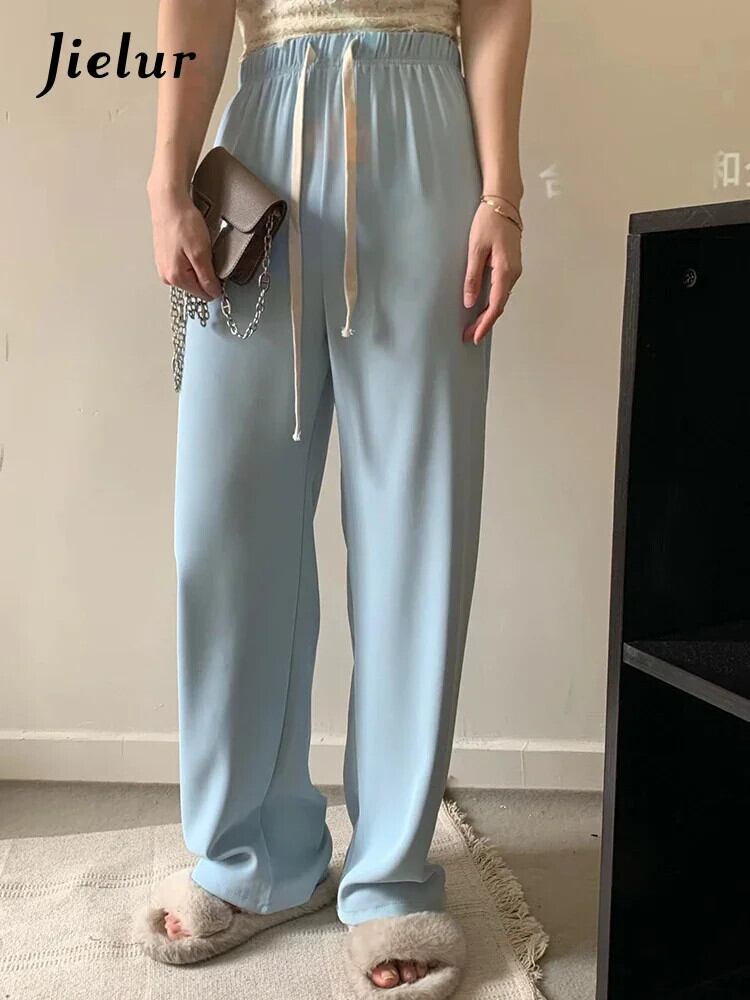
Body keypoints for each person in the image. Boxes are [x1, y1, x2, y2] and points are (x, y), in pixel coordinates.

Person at [135, 0, 529, 994]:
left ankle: (390, 874)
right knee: (225, 528)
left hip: (424, 131)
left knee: (417, 522)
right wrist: (166, 176)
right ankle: (253, 856)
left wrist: (503, 191)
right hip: (262, 133)